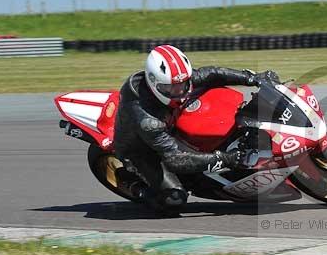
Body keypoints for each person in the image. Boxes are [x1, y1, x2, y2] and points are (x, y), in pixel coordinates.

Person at [114, 44, 274, 211]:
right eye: (172, 88)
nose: (181, 92)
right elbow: (175, 159)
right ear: (154, 83)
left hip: (169, 126)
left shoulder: (176, 81)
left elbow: (211, 74)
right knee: (173, 199)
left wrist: (251, 78)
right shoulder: (148, 121)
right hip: (142, 149)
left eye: (183, 84)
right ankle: (135, 186)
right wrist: (225, 158)